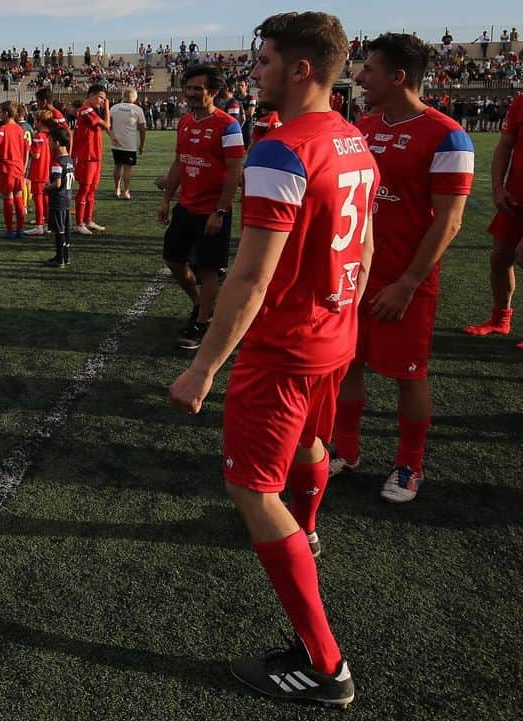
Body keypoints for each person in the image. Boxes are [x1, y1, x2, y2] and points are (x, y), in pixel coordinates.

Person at [168, 11, 374, 707]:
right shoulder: (354, 140)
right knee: (313, 443)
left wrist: (204, 367)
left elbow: (252, 279)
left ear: (301, 69)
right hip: (333, 337)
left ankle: (326, 664)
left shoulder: (281, 150)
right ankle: (308, 530)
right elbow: (365, 250)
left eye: (262, 61)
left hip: (284, 347)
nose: (254, 72)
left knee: (253, 489)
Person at [330, 33, 474, 504]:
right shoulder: (365, 126)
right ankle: (346, 451)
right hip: (356, 274)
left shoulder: (448, 134)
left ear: (397, 76)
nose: (359, 77)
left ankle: (411, 463)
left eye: (368, 69)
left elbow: (450, 221)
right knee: (347, 363)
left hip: (405, 282)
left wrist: (408, 283)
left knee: (410, 373)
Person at [156, 63, 245, 350]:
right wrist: (167, 198)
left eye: (198, 88)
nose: (191, 93)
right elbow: (180, 163)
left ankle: (202, 322)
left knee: (208, 269)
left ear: (214, 92)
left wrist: (220, 211)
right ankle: (200, 304)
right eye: (189, 88)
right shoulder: (184, 121)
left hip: (212, 211)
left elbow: (234, 172)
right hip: (185, 206)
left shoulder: (228, 126)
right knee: (173, 260)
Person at [462, 92, 523, 348]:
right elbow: (505, 146)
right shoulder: (520, 102)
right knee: (500, 258)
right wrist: (498, 188)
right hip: (516, 194)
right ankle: (500, 319)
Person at [71, 84, 111, 235]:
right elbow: (107, 125)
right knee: (85, 189)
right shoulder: (85, 110)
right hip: (86, 157)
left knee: (92, 189)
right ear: (91, 95)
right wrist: (107, 107)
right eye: (101, 97)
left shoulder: (90, 111)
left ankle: (88, 220)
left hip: (94, 156)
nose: (102, 100)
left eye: (104, 98)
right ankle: (79, 223)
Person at [0, 100, 29, 239]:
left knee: (8, 198)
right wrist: (23, 166)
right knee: (19, 198)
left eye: (0, 112)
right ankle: (21, 229)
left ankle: (10, 230)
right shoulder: (20, 129)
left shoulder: (2, 129)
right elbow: (26, 149)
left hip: (7, 169)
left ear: (6, 113)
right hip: (19, 169)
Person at [44, 126, 75, 267]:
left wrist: (45, 188)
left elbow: (56, 183)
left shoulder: (57, 162)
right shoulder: (69, 160)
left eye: (50, 141)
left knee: (59, 230)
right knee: (66, 229)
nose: (49, 144)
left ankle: (59, 259)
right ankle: (66, 256)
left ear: (56, 143)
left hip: (58, 200)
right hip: (67, 198)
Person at [109, 87, 147, 199]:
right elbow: (142, 129)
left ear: (122, 96)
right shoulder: (137, 109)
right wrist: (142, 145)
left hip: (116, 143)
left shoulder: (114, 108)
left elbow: (108, 125)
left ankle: (117, 189)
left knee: (117, 166)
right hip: (129, 145)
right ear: (134, 98)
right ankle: (126, 191)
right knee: (127, 169)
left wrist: (112, 136)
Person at [25, 110, 53, 235]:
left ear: (40, 122)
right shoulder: (50, 136)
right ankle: (47, 223)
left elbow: (36, 155)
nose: (34, 122)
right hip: (47, 171)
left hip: (38, 172)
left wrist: (27, 147)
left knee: (38, 199)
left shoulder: (38, 137)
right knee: (46, 199)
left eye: (35, 120)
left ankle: (39, 225)